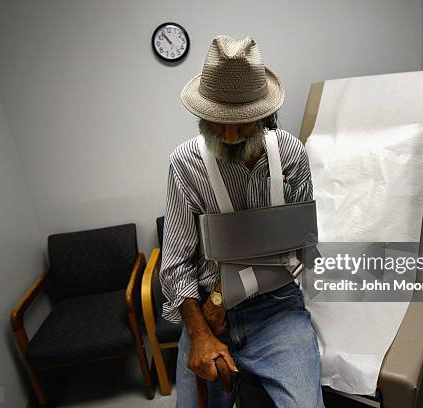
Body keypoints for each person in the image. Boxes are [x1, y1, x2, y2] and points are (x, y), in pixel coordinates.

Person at [160, 34, 324, 407]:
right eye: (219, 122)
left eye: (243, 123)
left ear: (264, 114)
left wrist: (224, 290)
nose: (230, 135)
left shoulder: (291, 155)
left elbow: (298, 247)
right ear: (203, 114)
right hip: (206, 316)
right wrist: (200, 333)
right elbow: (175, 266)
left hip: (276, 308)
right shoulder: (186, 164)